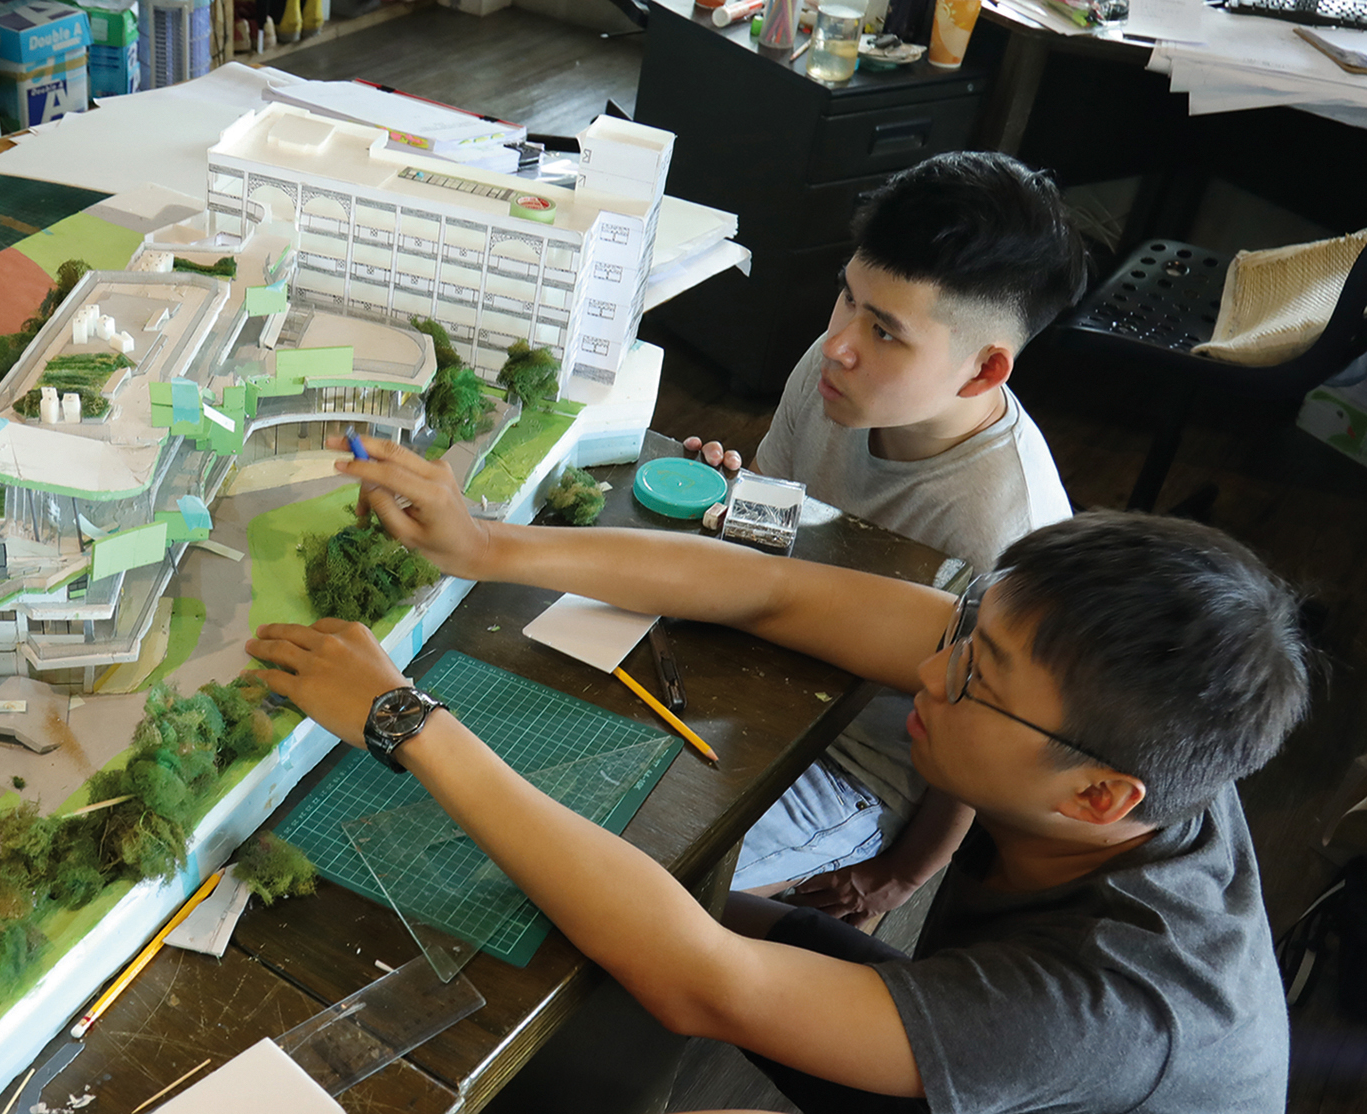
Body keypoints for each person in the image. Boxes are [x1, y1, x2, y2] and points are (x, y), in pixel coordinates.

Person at [248, 443, 1308, 1114]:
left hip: (1044, 1066)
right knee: (653, 909)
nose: (929, 670)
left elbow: (701, 982)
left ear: (1097, 798)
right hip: (1024, 1069)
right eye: (964, 632)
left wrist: (405, 720)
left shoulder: (1099, 1007)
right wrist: (486, 545)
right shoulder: (1132, 731)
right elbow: (772, 592)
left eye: (974, 677)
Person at [688, 152, 1089, 918]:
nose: (838, 342)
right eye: (847, 296)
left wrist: (902, 874)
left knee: (628, 870)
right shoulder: (835, 373)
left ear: (982, 372)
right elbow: (767, 518)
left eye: (883, 331)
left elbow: (983, 750)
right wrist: (712, 504)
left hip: (855, 765)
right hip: (767, 664)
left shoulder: (1005, 531)